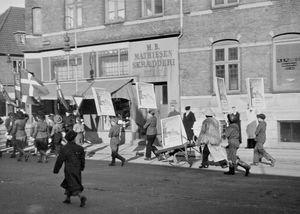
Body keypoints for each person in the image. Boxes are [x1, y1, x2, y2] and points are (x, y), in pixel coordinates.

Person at [53, 130, 87, 207]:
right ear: (74, 138)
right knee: (69, 182)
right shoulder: (80, 148)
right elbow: (82, 159)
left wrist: (56, 169)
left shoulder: (65, 148)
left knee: (74, 184)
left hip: (69, 169)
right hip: (77, 169)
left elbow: (60, 160)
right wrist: (82, 167)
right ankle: (67, 198)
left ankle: (81, 197)